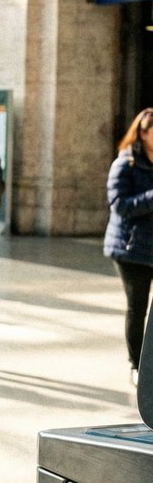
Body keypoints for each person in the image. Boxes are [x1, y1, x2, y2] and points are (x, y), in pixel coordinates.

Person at [104, 108, 153, 388]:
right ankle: (136, 364)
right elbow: (119, 205)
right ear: (143, 133)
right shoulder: (126, 163)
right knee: (138, 307)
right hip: (130, 248)